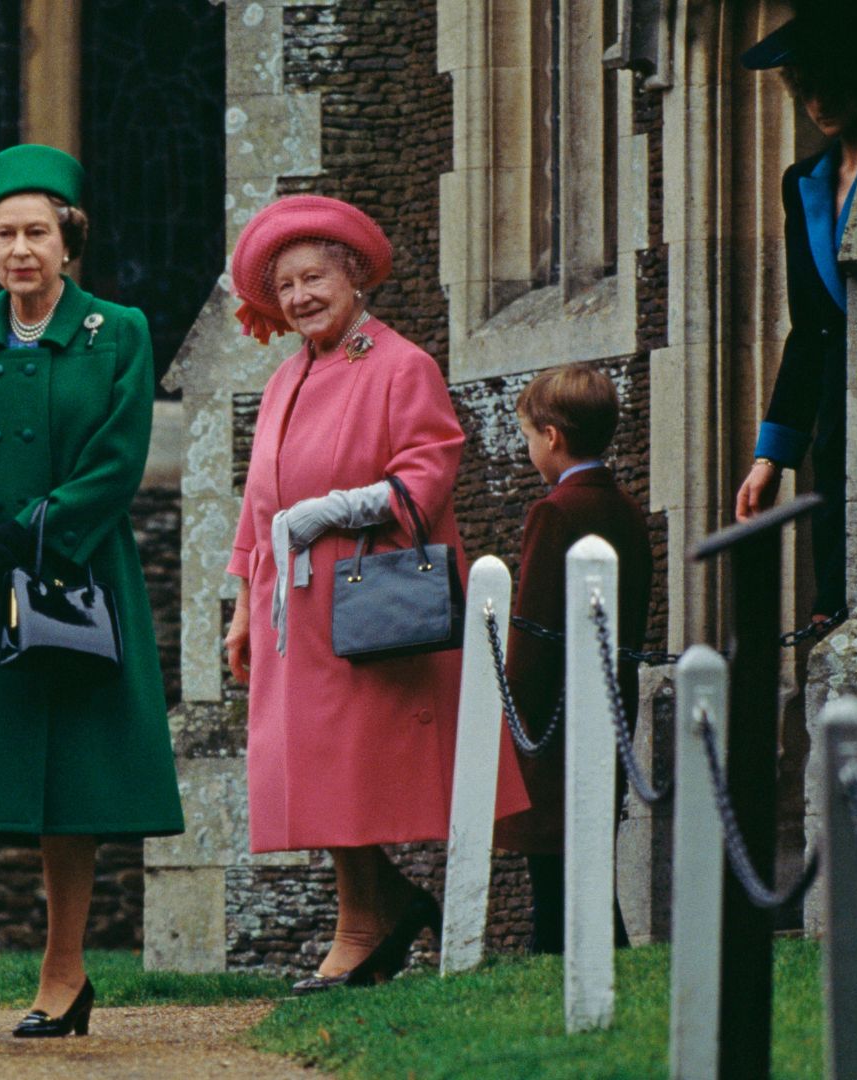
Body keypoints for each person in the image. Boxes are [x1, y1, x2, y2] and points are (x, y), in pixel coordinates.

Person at [0, 144, 184, 1039]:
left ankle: (65, 973)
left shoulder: (119, 330)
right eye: (3, 235)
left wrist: (39, 530)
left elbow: (118, 455)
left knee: (72, 783)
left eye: (38, 233)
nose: (21, 249)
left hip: (73, 575)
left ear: (69, 241)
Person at [222, 195, 527, 993]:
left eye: (313, 277)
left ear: (353, 278)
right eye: (284, 286)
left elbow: (430, 472)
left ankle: (369, 920)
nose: (297, 298)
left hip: (363, 598)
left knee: (348, 770)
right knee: (318, 774)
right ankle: (375, 909)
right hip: (292, 609)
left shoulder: (401, 365)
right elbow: (260, 504)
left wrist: (338, 508)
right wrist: (239, 605)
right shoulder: (288, 377)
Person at [490, 364, 654, 953]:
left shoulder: (554, 512)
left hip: (553, 720)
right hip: (610, 705)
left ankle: (556, 960)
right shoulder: (627, 509)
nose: (530, 448)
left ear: (553, 437)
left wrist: (517, 710)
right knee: (591, 860)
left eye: (530, 436)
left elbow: (533, 629)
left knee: (555, 874)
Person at [734, 18, 857, 619]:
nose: (817, 101)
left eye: (831, 82)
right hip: (837, 426)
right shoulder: (804, 184)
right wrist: (772, 458)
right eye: (804, 86)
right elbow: (811, 330)